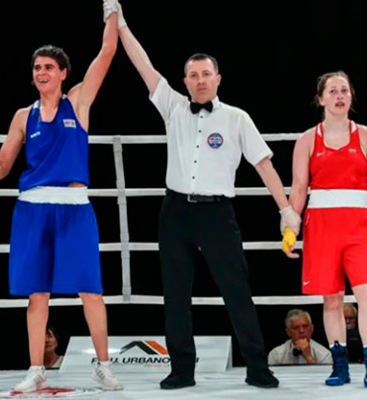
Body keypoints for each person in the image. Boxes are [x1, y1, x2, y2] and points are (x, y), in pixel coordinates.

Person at [113, 1, 301, 389]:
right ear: (185, 81)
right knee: (175, 295)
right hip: (175, 212)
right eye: (193, 75)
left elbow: (264, 164)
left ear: (218, 79)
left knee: (236, 291)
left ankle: (257, 367)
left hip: (217, 214)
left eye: (206, 74)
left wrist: (286, 210)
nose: (200, 80)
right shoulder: (172, 107)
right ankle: (182, 370)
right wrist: (121, 24)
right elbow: (143, 65)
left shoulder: (236, 117)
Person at [0, 1, 123, 392]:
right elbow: (3, 167)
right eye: (36, 68)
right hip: (33, 209)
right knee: (37, 293)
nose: (41, 72)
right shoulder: (22, 116)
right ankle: (35, 368)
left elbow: (108, 51)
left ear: (63, 73)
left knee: (91, 289)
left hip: (74, 209)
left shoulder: (80, 102)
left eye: (48, 67)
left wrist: (112, 10)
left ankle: (104, 365)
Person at [283, 71, 367, 389]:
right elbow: (299, 188)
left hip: (359, 223)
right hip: (320, 225)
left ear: (351, 97)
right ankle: (340, 366)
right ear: (320, 99)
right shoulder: (307, 140)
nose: (339, 96)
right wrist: (290, 229)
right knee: (331, 299)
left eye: (344, 90)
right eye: (332, 91)